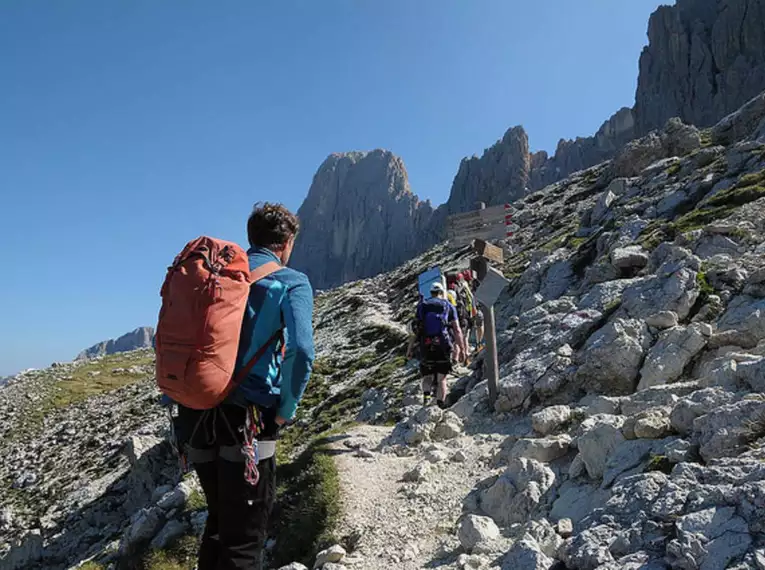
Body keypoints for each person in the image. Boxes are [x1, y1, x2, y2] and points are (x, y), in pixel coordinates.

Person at [176, 203, 314, 570]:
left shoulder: (216, 276)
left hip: (193, 414)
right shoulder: (290, 281)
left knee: (219, 522)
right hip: (247, 421)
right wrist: (285, 411)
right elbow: (300, 351)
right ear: (286, 243)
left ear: (251, 238)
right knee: (246, 537)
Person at [413, 282, 466, 408]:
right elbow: (457, 329)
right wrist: (462, 349)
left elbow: (416, 328)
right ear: (442, 292)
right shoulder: (448, 306)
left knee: (427, 375)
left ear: (430, 293)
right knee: (442, 378)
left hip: (426, 344)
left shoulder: (423, 305)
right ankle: (439, 405)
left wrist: (411, 347)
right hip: (443, 343)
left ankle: (426, 397)